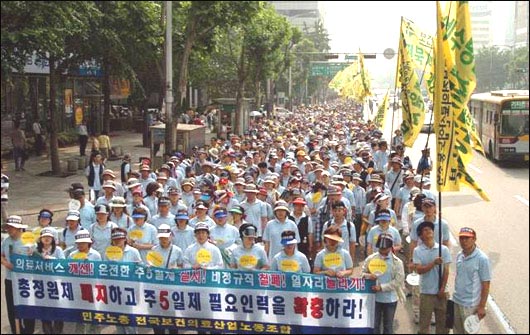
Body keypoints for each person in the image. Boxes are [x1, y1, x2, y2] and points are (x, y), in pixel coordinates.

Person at [412, 221, 451, 334]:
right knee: (424, 325)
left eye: (430, 229)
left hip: (441, 292)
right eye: (425, 230)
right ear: (420, 235)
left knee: (443, 326)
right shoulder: (417, 251)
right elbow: (419, 270)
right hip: (426, 293)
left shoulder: (443, 250)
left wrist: (442, 289)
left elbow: (446, 271)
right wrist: (433, 263)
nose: (429, 231)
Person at [362, 233, 405, 334]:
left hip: (390, 299)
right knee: (374, 325)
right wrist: (369, 276)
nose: (382, 251)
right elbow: (362, 274)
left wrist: (382, 287)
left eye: (385, 248)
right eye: (380, 248)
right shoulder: (371, 259)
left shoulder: (397, 262)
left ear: (390, 248)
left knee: (388, 326)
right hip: (373, 298)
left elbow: (398, 281)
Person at [453, 227, 492, 334]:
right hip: (457, 301)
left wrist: (481, 306)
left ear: (474, 239)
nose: (464, 241)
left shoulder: (482, 259)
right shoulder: (459, 255)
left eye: (467, 238)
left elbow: (486, 284)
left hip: (470, 306)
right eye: (462, 238)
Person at [1, 215, 36, 334]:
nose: (9, 230)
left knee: (28, 308)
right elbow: (1, 255)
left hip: (26, 281)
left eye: (12, 227)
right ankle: (16, 331)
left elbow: (37, 259)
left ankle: (29, 331)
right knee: (12, 309)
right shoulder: (6, 241)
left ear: (19, 228)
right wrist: (6, 263)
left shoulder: (29, 241)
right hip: (10, 280)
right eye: (8, 227)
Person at [34, 227, 65, 334]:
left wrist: (53, 260)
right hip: (41, 285)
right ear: (40, 239)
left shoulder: (58, 250)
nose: (46, 239)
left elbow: (64, 265)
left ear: (52, 239)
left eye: (49, 237)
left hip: (56, 285)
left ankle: (57, 331)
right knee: (45, 310)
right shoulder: (36, 251)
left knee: (58, 310)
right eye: (44, 237)